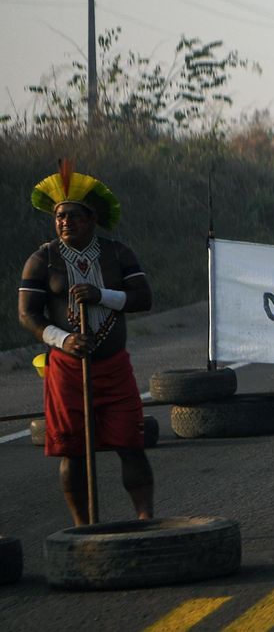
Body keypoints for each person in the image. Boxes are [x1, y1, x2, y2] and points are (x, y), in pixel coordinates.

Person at [18, 160, 155, 526]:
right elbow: (28, 315)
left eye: (73, 216)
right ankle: (82, 528)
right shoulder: (42, 260)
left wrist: (102, 295)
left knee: (131, 445)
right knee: (73, 453)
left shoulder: (117, 254)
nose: (64, 222)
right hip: (66, 369)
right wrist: (63, 340)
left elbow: (144, 298)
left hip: (113, 366)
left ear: (92, 219)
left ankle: (146, 520)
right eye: (60, 217)